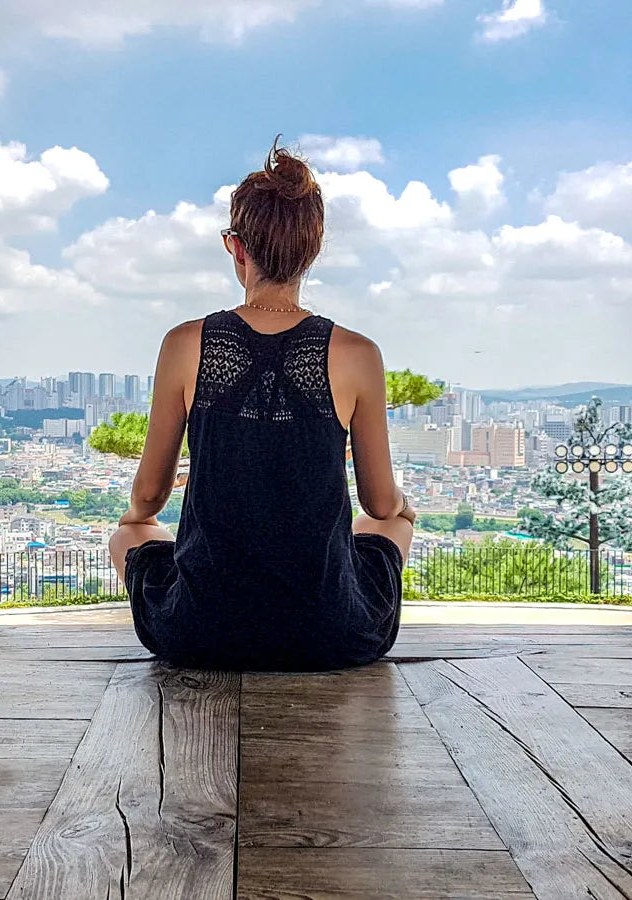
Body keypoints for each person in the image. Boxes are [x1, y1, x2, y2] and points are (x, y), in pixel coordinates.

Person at [108, 139, 415, 671]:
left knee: (128, 535)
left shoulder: (185, 344)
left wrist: (135, 518)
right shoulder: (359, 354)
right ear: (311, 252)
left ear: (236, 248)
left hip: (201, 631)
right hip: (330, 633)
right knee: (390, 528)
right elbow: (380, 506)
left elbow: (150, 497)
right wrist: (406, 507)